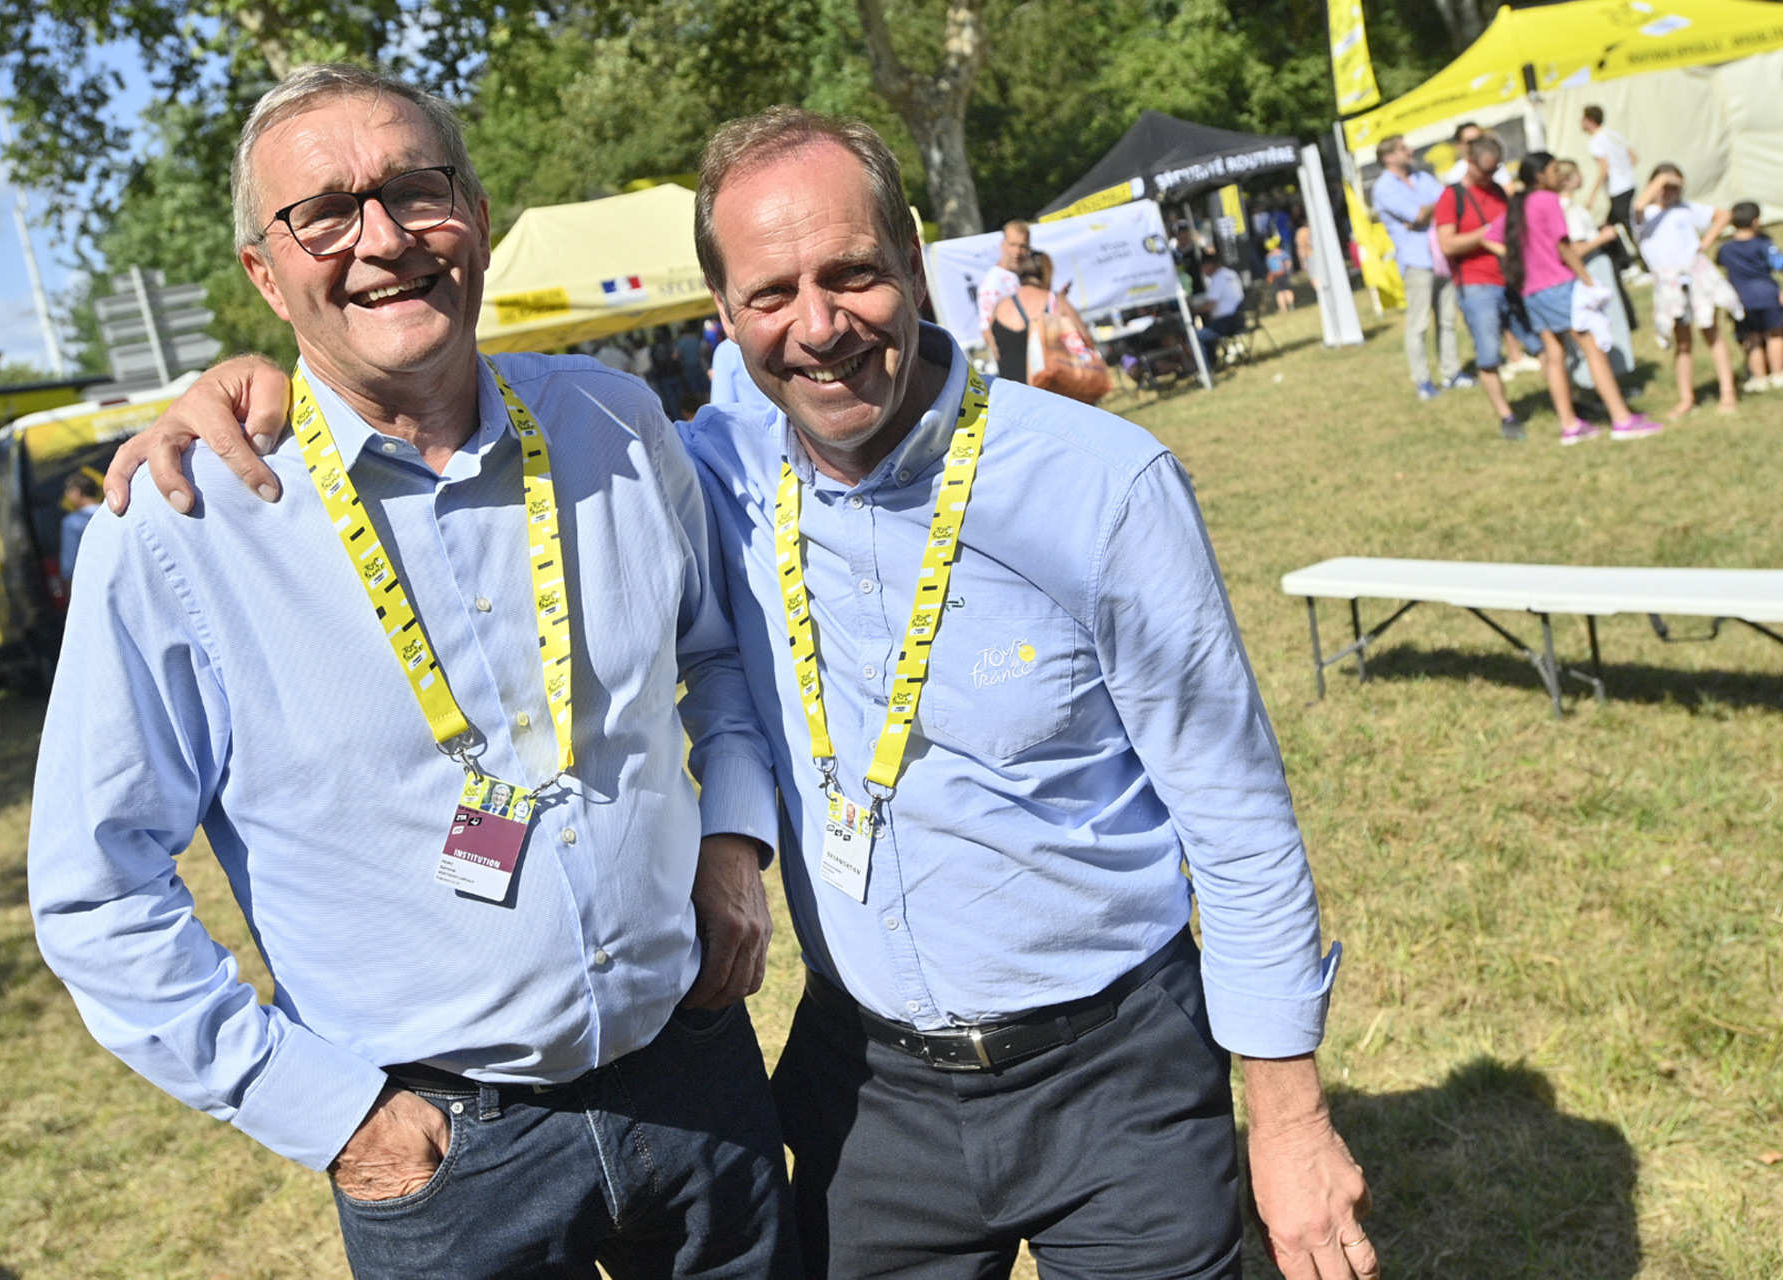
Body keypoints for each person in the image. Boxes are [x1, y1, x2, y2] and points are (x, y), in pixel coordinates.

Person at [114, 103, 1375, 1280]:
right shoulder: (696, 463)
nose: (818, 327)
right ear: (724, 311)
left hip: (1116, 1065)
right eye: (771, 293)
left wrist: (1290, 1116)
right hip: (871, 1090)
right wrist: (252, 382)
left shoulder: (1099, 485)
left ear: (916, 259)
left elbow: (1239, 819)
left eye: (853, 274)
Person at [30, 63, 796, 1279]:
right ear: (264, 273)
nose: (383, 239)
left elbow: (715, 656)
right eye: (324, 214)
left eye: (415, 190)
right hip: (444, 1157)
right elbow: (95, 889)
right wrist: (327, 1110)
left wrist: (734, 842)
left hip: (696, 1071)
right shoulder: (181, 527)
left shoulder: (615, 423)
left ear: (475, 216)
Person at [1489, 153, 1660, 444]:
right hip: (1558, 286)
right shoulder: (1547, 200)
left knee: (1554, 356)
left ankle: (1569, 425)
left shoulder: (1518, 205)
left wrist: (1524, 260)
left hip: (1532, 292)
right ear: (1540, 175)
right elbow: (1564, 245)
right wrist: (1587, 280)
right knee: (1593, 348)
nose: (1559, 175)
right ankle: (1621, 419)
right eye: (1554, 170)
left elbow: (1491, 238)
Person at [1435, 132, 1534, 441]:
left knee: (1539, 343)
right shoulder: (1452, 197)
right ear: (1469, 162)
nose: (1489, 177)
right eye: (1485, 171)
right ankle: (1507, 417)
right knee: (1489, 354)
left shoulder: (1499, 192)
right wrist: (1484, 234)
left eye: (1495, 170)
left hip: (1510, 280)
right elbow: (1447, 244)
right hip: (1476, 285)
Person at [1634, 164, 1740, 417]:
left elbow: (1723, 215)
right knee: (1683, 341)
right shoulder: (1646, 214)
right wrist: (1663, 179)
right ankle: (1686, 398)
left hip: (1695, 277)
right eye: (1664, 186)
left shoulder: (1686, 209)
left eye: (1675, 187)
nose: (1669, 192)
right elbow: (1638, 205)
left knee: (1711, 331)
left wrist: (1706, 242)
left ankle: (1728, 392)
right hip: (1670, 284)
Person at [1370, 133, 1467, 399]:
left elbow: (1447, 203)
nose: (1410, 151)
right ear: (1388, 157)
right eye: (1403, 148)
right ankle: (1423, 381)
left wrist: (1427, 212)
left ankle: (1452, 373)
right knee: (1419, 323)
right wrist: (1429, 211)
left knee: (1448, 319)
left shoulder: (1422, 177)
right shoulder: (1384, 187)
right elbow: (1419, 214)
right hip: (1416, 261)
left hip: (1441, 256)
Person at [1554, 158, 1637, 390]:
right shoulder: (1568, 209)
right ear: (1566, 179)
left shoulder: (1569, 206)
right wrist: (1603, 237)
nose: (1582, 177)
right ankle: (1605, 385)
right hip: (1591, 270)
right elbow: (1576, 250)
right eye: (1577, 173)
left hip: (1592, 270)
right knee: (1602, 326)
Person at [988, 251, 1088, 385]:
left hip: (1012, 391)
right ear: (1047, 273)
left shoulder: (999, 307)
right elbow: (1085, 340)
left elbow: (996, 349)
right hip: (1051, 389)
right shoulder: (1056, 301)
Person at [1716, 201, 1783, 392]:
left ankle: (1759, 378)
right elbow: (1779, 263)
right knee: (1775, 335)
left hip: (1742, 300)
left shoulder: (1725, 248)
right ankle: (1778, 374)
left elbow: (1720, 263)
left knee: (1751, 339)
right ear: (1756, 221)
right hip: (1768, 296)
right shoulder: (1763, 243)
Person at [1580, 106, 1642, 281]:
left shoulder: (1596, 141)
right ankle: (1627, 263)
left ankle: (1636, 264)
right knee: (1614, 224)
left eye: (1583, 119)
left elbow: (1604, 170)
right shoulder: (1613, 134)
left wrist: (1592, 197)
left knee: (1621, 227)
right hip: (1629, 183)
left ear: (1590, 120)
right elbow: (1633, 157)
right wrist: (1624, 171)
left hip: (1618, 188)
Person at [976, 219, 1030, 368]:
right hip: (1016, 362)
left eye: (1022, 246)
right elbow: (986, 328)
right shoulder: (994, 280)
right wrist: (1007, 363)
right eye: (1012, 245)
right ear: (1002, 245)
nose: (1017, 252)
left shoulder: (1022, 275)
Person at [1194, 253, 1247, 369]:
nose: (1203, 272)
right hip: (1239, 318)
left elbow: (1208, 306)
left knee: (1196, 337)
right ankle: (1213, 362)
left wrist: (1192, 310)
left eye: (1203, 268)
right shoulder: (1231, 273)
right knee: (1207, 330)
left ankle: (1206, 369)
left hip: (1226, 322)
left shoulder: (1217, 278)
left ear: (1209, 265)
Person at [59, 472, 103, 586]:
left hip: (95, 582)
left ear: (76, 493)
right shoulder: (114, 510)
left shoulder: (72, 523)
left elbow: (70, 566)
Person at [676, 319, 712, 400]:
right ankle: (708, 400)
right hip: (698, 363)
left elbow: (676, 355)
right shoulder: (695, 338)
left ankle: (699, 402)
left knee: (694, 387)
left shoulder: (679, 342)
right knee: (704, 384)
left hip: (687, 366)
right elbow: (703, 350)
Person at [1264, 237, 1295, 313]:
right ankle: (1291, 306)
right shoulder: (1282, 253)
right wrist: (1289, 271)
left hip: (1275, 276)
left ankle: (1283, 309)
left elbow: (1269, 268)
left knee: (1279, 293)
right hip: (1283, 274)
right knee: (1287, 290)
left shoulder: (1268, 256)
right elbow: (1288, 263)